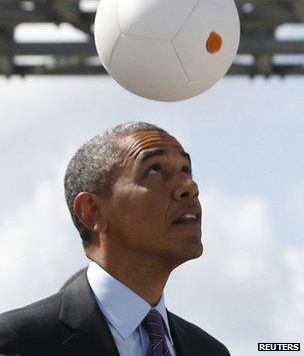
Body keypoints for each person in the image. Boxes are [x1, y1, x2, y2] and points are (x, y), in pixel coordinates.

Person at [0, 121, 230, 356]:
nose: (189, 186)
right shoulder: (17, 343)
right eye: (154, 169)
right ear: (92, 211)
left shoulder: (210, 351)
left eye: (186, 170)